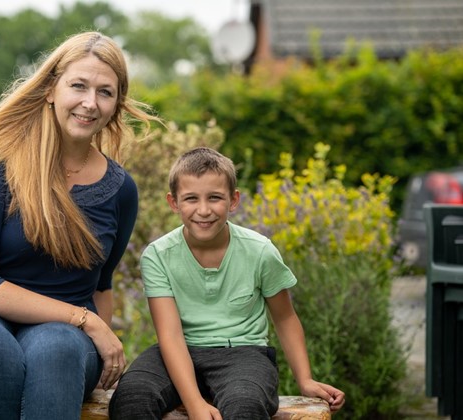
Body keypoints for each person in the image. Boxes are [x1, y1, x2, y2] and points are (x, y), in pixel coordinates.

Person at [0, 31, 159, 420]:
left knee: (57, 350)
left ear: (117, 104)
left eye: (105, 92)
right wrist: (85, 319)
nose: (89, 103)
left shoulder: (120, 189)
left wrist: (97, 340)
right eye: (78, 85)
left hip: (60, 339)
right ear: (50, 90)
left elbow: (101, 283)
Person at [109, 147, 345, 419]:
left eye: (215, 198)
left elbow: (285, 317)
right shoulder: (158, 256)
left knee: (245, 404)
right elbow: (170, 336)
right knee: (132, 397)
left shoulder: (260, 251)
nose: (204, 210)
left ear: (233, 200)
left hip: (243, 354)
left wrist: (305, 379)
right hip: (176, 350)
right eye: (191, 199)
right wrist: (195, 403)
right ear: (174, 203)